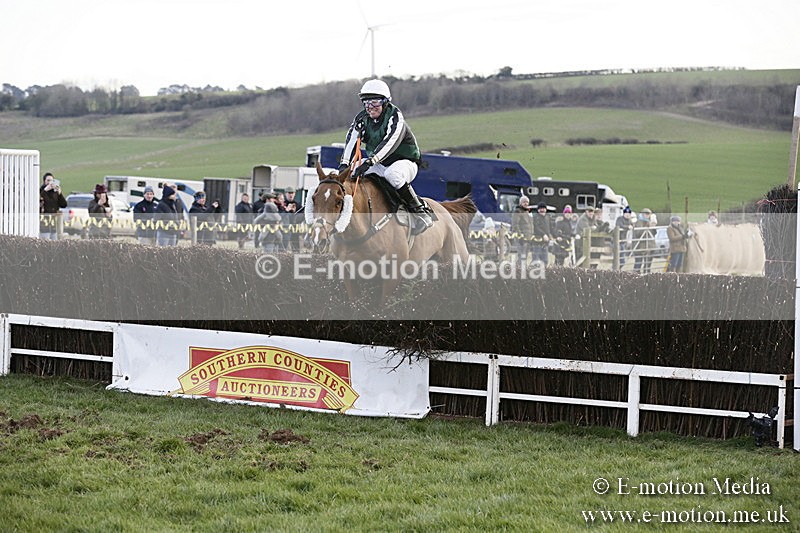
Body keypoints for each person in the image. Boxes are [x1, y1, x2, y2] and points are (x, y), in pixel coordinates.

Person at [338, 79, 433, 234]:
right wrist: (344, 165)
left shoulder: (395, 117)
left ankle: (420, 212)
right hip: (379, 163)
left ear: (385, 102)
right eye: (366, 103)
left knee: (392, 174)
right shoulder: (361, 119)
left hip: (405, 161)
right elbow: (351, 141)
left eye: (374, 102)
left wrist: (370, 162)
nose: (370, 107)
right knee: (351, 173)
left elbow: (389, 144)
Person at [39, 172, 67, 240]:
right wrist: (45, 190)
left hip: (54, 222)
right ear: (44, 181)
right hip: (44, 222)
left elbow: (64, 205)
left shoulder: (55, 192)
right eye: (48, 180)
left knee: (54, 240)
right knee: (45, 239)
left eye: (51, 181)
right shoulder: (41, 191)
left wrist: (60, 193)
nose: (50, 183)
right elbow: (39, 200)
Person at [512, 196, 534, 267]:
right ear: (520, 203)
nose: (526, 203)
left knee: (525, 255)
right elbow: (515, 225)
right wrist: (520, 235)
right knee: (521, 255)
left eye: (527, 202)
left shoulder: (528, 212)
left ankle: (522, 268)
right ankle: (519, 269)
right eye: (524, 202)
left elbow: (531, 225)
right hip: (521, 238)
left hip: (528, 238)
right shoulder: (518, 211)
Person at [633, 208, 656, 274]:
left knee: (648, 264)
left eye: (649, 214)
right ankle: (636, 275)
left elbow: (653, 234)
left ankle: (647, 275)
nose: (647, 215)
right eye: (646, 214)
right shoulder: (639, 222)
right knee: (638, 263)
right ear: (642, 214)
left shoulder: (650, 222)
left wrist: (653, 227)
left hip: (650, 245)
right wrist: (646, 227)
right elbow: (638, 234)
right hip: (640, 246)